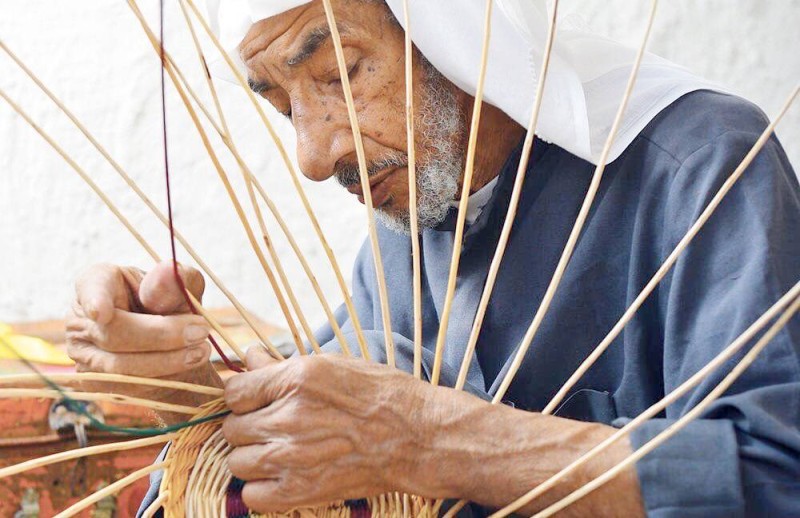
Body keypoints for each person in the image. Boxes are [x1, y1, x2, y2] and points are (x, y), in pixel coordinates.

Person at [66, 0, 800, 516]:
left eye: (342, 73)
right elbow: (325, 404)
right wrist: (183, 364)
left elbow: (777, 478)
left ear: (451, 25)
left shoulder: (700, 165)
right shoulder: (411, 209)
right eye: (285, 106)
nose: (316, 156)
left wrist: (426, 439)